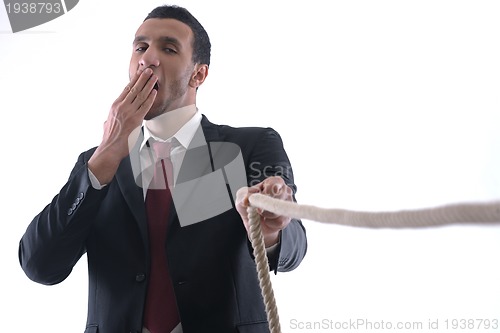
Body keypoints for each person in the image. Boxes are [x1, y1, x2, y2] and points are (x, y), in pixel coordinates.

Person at [19, 5, 307, 333]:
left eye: (168, 49)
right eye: (140, 47)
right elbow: (39, 265)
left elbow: (294, 249)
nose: (148, 59)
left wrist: (271, 229)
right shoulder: (95, 163)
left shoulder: (251, 146)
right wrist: (105, 156)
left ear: (199, 74)